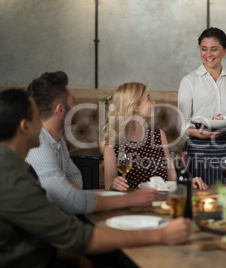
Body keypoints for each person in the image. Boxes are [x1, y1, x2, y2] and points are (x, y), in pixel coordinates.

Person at [0, 89, 191, 268]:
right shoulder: (12, 179)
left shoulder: (19, 165)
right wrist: (160, 235)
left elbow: (44, 233)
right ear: (24, 127)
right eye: (37, 119)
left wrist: (79, 259)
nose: (42, 126)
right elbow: (76, 236)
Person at [25, 71, 158, 215]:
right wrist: (130, 200)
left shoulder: (57, 139)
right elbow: (71, 201)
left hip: (59, 216)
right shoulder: (38, 145)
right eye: (73, 101)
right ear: (60, 110)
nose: (75, 107)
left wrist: (66, 190)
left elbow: (76, 176)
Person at [103, 82, 208, 191]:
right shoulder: (112, 147)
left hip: (163, 203)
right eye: (148, 98)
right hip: (134, 205)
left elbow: (172, 180)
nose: (153, 102)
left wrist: (188, 182)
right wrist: (113, 186)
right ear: (135, 106)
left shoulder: (159, 135)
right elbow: (108, 189)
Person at [177, 27, 226, 185]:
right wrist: (198, 133)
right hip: (198, 147)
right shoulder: (189, 81)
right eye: (204, 49)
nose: (208, 54)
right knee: (199, 199)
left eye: (214, 49)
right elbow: (182, 123)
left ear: (225, 50)